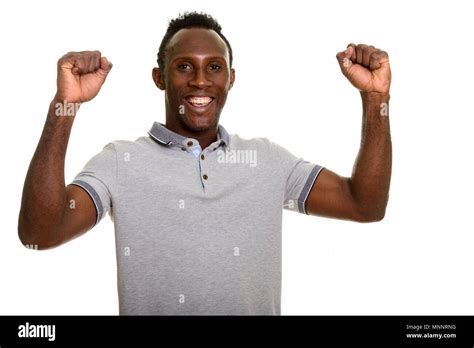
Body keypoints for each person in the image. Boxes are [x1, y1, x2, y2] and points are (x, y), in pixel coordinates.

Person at [18, 12, 392, 315]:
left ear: (231, 79)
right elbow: (40, 233)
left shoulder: (266, 160)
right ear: (159, 78)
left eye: (214, 68)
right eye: (184, 67)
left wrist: (375, 97)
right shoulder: (120, 162)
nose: (200, 81)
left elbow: (365, 204)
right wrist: (65, 106)